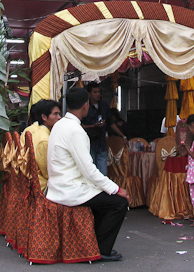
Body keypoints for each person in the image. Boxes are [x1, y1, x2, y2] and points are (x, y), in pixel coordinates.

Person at [47, 87, 130, 262]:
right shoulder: (75, 130)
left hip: (60, 185)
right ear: (86, 106)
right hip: (70, 189)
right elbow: (89, 170)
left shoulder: (60, 124)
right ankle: (102, 248)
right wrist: (116, 189)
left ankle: (92, 244)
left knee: (105, 200)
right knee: (119, 203)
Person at [21, 99, 61, 191]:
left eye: (59, 114)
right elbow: (48, 172)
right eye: (55, 114)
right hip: (40, 186)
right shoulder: (44, 140)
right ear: (44, 117)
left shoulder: (30, 129)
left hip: (27, 181)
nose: (59, 117)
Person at [81, 82, 113, 175]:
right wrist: (93, 126)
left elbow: (110, 122)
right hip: (89, 143)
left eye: (99, 92)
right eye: (95, 92)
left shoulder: (104, 105)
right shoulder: (85, 106)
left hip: (101, 142)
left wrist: (123, 136)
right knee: (90, 171)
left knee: (103, 173)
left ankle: (102, 189)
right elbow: (79, 125)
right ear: (89, 94)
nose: (98, 94)